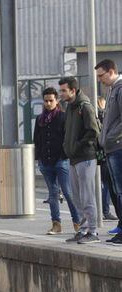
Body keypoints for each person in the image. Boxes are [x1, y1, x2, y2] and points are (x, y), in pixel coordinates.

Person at [34, 87, 81, 234]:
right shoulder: (40, 119)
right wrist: (38, 158)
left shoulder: (63, 116)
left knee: (67, 192)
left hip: (61, 160)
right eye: (46, 101)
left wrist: (64, 154)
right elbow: (37, 139)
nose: (48, 103)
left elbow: (68, 137)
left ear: (56, 100)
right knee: (52, 194)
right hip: (45, 161)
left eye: (51, 100)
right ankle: (56, 224)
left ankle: (77, 222)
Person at [59, 77, 100, 244]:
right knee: (77, 196)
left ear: (72, 90)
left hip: (86, 157)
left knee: (87, 195)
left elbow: (93, 131)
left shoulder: (85, 107)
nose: (61, 93)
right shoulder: (70, 107)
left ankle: (93, 231)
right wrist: (67, 147)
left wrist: (76, 145)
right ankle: (82, 230)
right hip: (74, 158)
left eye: (63, 90)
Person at [95, 59, 122, 244]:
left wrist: (112, 137)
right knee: (117, 190)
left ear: (111, 71)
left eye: (101, 75)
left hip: (118, 147)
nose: (99, 80)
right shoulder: (112, 89)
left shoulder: (119, 89)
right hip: (112, 147)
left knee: (120, 190)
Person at [97, 96, 118, 221]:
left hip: (101, 154)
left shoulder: (100, 115)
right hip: (106, 153)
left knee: (105, 184)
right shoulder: (103, 116)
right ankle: (105, 210)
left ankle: (104, 210)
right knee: (107, 184)